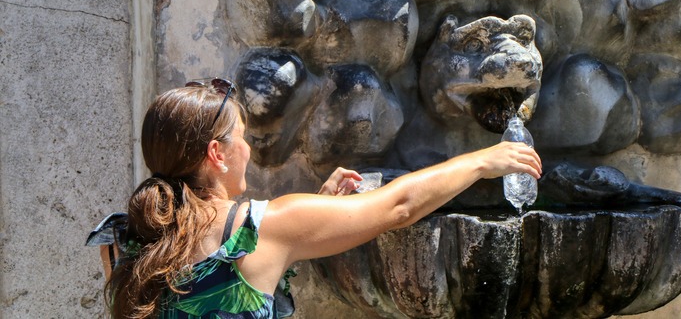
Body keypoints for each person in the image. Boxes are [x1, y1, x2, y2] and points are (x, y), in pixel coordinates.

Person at [91, 78, 542, 318]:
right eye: (242, 138)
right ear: (217, 154)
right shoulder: (257, 229)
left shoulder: (125, 239)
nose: (248, 149)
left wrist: (318, 207)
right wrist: (485, 160)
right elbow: (397, 206)